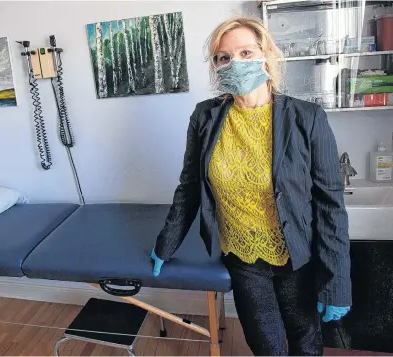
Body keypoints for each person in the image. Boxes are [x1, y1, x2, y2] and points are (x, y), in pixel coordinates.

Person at [150, 15, 352, 356]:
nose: (235, 63)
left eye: (245, 52)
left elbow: (331, 205)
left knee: (305, 342)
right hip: (242, 258)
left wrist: (337, 283)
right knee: (266, 346)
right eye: (224, 57)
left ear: (266, 56)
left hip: (297, 257)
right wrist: (165, 244)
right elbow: (189, 188)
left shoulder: (307, 117)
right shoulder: (205, 117)